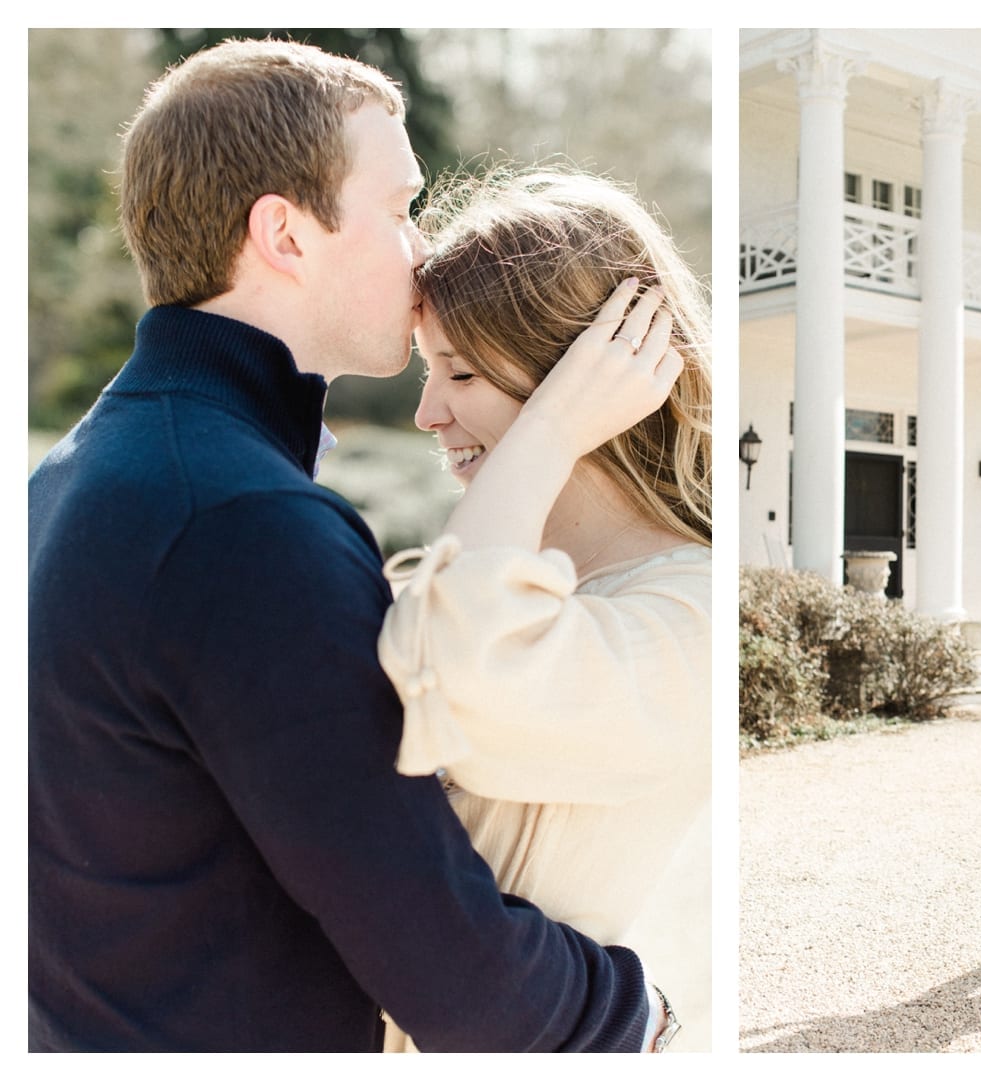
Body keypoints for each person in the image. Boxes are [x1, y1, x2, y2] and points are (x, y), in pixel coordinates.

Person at [29, 40, 671, 1051]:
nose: (421, 250)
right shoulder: (239, 521)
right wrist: (643, 1014)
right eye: (399, 207)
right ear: (284, 232)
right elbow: (463, 986)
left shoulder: (70, 476)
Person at [374, 168, 711, 1053]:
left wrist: (553, 430)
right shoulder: (502, 557)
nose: (427, 410)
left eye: (463, 372)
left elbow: (463, 669)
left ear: (586, 376)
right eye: (427, 368)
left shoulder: (694, 615)